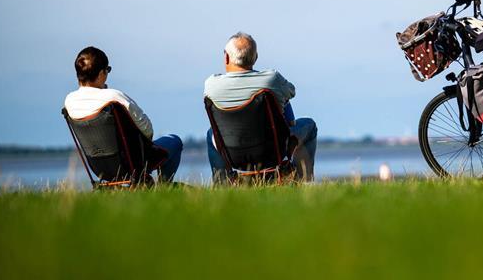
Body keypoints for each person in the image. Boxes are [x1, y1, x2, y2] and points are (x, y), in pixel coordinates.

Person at [204, 32, 317, 182]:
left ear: (226, 57)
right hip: (273, 151)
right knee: (309, 125)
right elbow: (291, 91)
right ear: (255, 58)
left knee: (211, 133)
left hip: (232, 153)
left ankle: (221, 181)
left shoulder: (211, 85)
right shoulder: (271, 80)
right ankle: (302, 180)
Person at [64, 46, 183, 182]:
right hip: (132, 163)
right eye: (107, 70)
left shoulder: (69, 102)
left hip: (99, 169)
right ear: (102, 73)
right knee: (174, 141)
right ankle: (164, 187)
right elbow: (148, 130)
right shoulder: (113, 97)